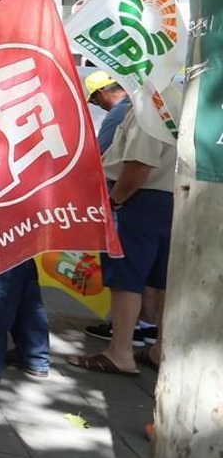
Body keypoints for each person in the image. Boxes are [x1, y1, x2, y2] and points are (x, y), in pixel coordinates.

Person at [66, 105, 175, 378]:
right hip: (172, 199)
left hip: (140, 199)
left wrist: (116, 200)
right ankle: (160, 348)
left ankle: (120, 352)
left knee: (127, 279)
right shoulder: (181, 100)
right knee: (162, 281)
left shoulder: (150, 104)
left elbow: (140, 165)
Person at [80, 72, 157, 346]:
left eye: (95, 100)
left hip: (133, 199)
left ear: (102, 93)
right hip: (162, 201)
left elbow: (132, 163)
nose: (98, 106)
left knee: (127, 276)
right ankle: (148, 327)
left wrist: (115, 200)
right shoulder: (164, 105)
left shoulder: (130, 112)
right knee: (154, 275)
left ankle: (122, 344)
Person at [85, 71, 131, 154]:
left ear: (101, 94)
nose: (101, 107)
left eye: (95, 101)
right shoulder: (140, 103)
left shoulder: (116, 114)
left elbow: (100, 154)